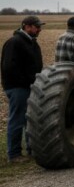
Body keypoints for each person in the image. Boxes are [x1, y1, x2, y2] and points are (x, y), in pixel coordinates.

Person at [1, 16, 45, 163]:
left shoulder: (32, 42)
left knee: (30, 119)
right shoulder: (15, 42)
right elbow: (9, 68)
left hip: (29, 86)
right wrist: (26, 82)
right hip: (18, 88)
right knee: (17, 119)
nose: (39, 29)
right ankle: (14, 154)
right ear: (27, 26)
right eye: (37, 26)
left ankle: (32, 149)